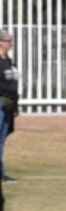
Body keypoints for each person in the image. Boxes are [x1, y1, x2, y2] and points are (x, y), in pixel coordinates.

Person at [0, 29, 19, 183]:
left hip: (8, 103)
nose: (10, 43)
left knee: (2, 139)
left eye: (10, 40)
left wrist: (15, 105)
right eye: (7, 40)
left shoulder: (9, 60)